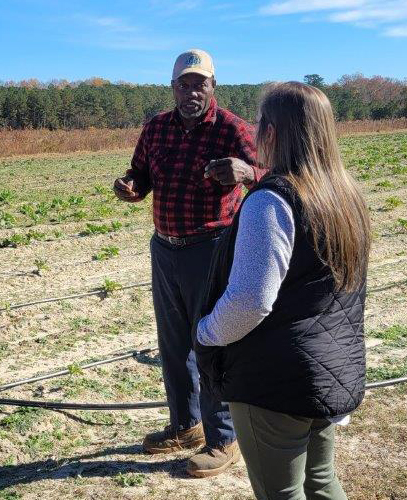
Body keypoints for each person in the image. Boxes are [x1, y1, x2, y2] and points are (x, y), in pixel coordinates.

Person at [195, 82, 370, 499]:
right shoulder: (345, 193)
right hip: (329, 370)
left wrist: (206, 331)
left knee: (282, 493)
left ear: (271, 132)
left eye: (259, 123)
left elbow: (250, 301)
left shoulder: (272, 201)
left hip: (275, 382)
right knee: (322, 480)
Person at [113, 49, 267, 477]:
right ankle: (186, 426)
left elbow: (274, 173)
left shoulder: (234, 129)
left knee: (212, 339)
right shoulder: (157, 128)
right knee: (174, 343)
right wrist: (131, 186)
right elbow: (141, 173)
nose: (191, 90)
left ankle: (224, 439)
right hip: (165, 247)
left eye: (199, 82)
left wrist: (246, 172)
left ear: (213, 85)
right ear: (173, 87)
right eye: (184, 83)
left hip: (212, 247)